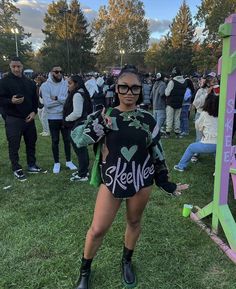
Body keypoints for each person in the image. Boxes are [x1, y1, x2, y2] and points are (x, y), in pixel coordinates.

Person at [71, 65, 188, 289]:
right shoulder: (105, 114)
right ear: (116, 88)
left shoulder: (147, 119)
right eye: (124, 87)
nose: (129, 92)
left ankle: (126, 262)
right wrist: (99, 127)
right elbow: (78, 139)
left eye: (134, 88)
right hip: (112, 179)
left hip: (141, 180)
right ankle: (85, 271)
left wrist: (165, 181)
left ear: (140, 90)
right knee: (97, 230)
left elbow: (157, 152)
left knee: (134, 222)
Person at [0, 57, 42, 181]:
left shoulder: (29, 82)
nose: (16, 69)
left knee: (31, 142)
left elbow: (35, 100)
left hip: (29, 118)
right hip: (13, 119)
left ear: (22, 66)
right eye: (14, 66)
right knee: (14, 145)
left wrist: (34, 112)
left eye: (18, 66)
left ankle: (31, 164)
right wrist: (10, 101)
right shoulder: (4, 82)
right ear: (10, 66)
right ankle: (16, 168)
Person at [40, 65, 77, 173]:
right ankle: (56, 162)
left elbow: (68, 100)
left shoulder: (66, 83)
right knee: (55, 140)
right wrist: (61, 100)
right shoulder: (45, 86)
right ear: (51, 72)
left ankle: (68, 161)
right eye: (56, 72)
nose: (59, 73)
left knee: (67, 140)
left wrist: (55, 98)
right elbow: (47, 104)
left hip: (65, 116)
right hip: (52, 117)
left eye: (61, 71)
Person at [174, 92, 219, 172]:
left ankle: (181, 166)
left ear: (207, 102)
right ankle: (219, 170)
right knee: (217, 153)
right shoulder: (223, 114)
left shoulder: (204, 114)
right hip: (221, 144)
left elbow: (198, 127)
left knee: (191, 147)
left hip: (209, 143)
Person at [63, 75, 92, 181]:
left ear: (76, 83)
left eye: (70, 83)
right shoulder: (83, 93)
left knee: (80, 150)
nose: (68, 86)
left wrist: (66, 118)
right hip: (82, 123)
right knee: (82, 150)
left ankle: (82, 174)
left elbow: (77, 113)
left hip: (78, 125)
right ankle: (83, 171)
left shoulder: (77, 94)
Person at [191, 73, 218, 162]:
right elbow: (196, 104)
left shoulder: (218, 90)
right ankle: (196, 153)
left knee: (214, 135)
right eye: (211, 80)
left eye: (215, 80)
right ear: (207, 81)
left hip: (214, 115)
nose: (213, 81)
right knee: (199, 136)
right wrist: (207, 93)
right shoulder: (201, 91)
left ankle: (217, 156)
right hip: (201, 114)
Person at [165, 67, 186, 138]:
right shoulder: (184, 82)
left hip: (171, 102)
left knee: (169, 118)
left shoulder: (172, 82)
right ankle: (177, 133)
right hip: (179, 102)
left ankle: (168, 133)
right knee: (177, 118)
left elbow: (167, 93)